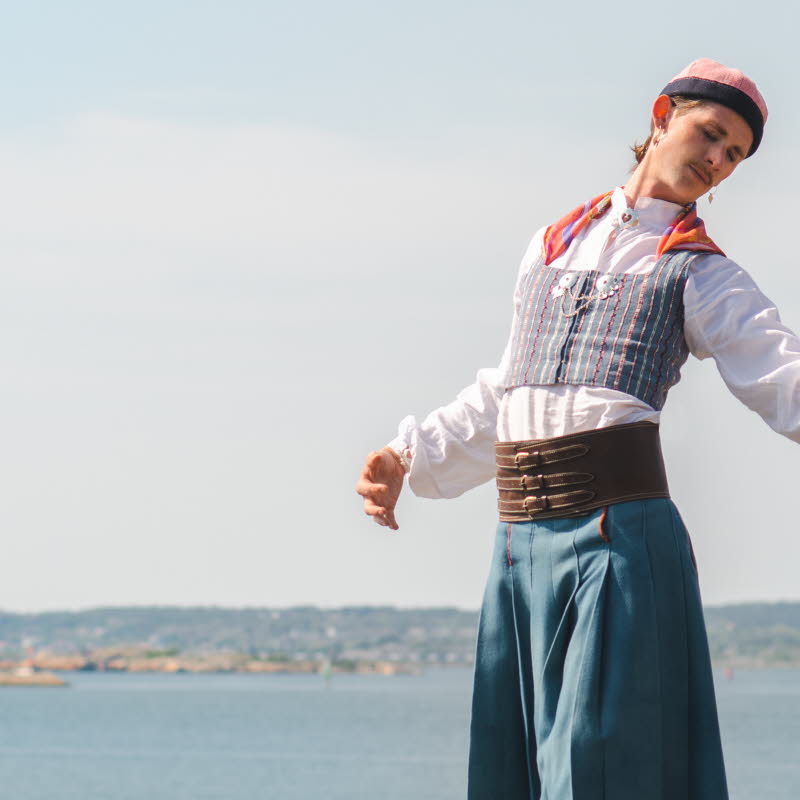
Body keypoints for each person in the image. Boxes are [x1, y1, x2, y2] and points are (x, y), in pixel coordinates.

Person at [356, 58, 798, 799]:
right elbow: (509, 386)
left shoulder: (703, 274)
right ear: (662, 116)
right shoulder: (550, 245)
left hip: (616, 543)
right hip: (518, 549)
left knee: (597, 773)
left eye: (734, 156)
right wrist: (410, 454)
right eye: (711, 134)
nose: (717, 161)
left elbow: (784, 379)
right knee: (515, 772)